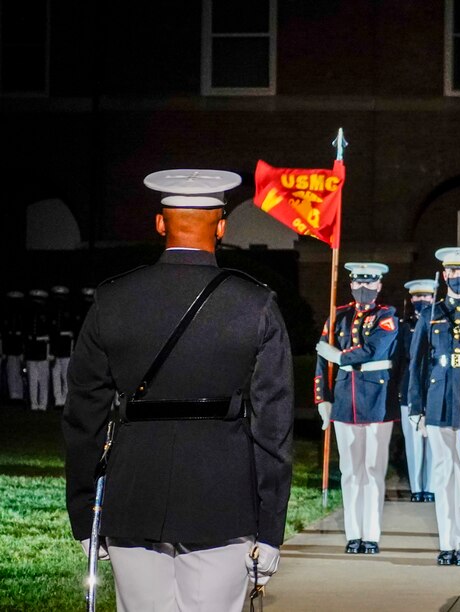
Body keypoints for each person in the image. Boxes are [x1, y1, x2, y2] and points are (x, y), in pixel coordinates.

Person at [63, 169, 294, 611]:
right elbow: (274, 428)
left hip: (133, 495)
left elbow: (83, 417)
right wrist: (270, 527)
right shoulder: (255, 304)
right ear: (222, 227)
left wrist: (85, 516)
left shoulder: (113, 299)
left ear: (159, 224)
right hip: (222, 500)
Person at [315, 262, 399, 555]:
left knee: (373, 471)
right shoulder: (338, 315)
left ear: (378, 286)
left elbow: (374, 349)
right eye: (358, 283)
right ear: (351, 285)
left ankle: (371, 535)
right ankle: (353, 534)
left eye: (369, 284)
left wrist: (338, 356)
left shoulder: (386, 316)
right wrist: (322, 398)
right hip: (343, 401)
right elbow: (320, 360)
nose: (364, 289)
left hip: (376, 402)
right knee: (350, 471)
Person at [409, 246, 460, 566]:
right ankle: (447, 543)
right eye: (451, 272)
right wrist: (416, 407)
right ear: (444, 275)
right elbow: (417, 363)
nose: (456, 277)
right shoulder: (431, 313)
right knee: (443, 477)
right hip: (438, 405)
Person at [399, 279, 437, 502]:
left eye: (426, 297)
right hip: (410, 390)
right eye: (417, 297)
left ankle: (430, 486)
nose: (422, 300)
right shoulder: (404, 327)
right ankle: (417, 488)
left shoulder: (438, 322)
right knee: (413, 443)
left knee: (432, 442)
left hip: (432, 389)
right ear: (411, 299)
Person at [24, 289, 52, 411]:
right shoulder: (28, 314)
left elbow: (51, 334)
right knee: (33, 379)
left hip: (42, 349)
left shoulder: (47, 314)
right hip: (31, 350)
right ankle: (34, 404)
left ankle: (43, 403)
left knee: (43, 379)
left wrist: (50, 352)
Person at [49, 285, 76, 408]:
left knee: (66, 376)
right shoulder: (52, 313)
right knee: (56, 375)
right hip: (56, 349)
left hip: (66, 349)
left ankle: (65, 399)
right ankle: (58, 399)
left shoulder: (69, 312)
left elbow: (73, 330)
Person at [2, 290, 26, 403]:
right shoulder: (7, 315)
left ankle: (20, 394)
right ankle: (14, 395)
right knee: (12, 372)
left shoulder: (22, 315)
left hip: (19, 348)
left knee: (20, 372)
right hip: (11, 348)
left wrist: (23, 350)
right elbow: (6, 335)